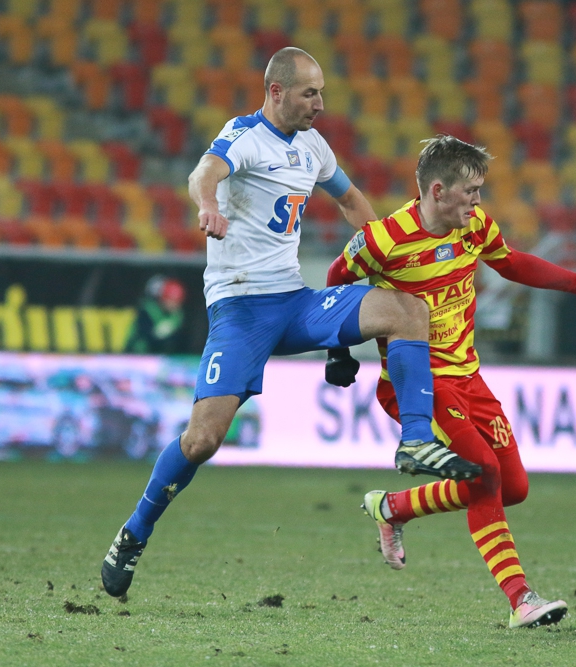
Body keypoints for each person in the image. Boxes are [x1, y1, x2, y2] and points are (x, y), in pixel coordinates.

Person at [100, 49, 482, 598]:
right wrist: (208, 206)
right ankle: (134, 532)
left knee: (406, 310)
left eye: (321, 92)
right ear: (276, 91)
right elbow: (203, 173)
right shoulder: (243, 136)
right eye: (310, 93)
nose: (320, 104)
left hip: (294, 301)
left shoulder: (313, 146)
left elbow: (351, 201)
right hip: (240, 309)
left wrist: (387, 253)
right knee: (203, 440)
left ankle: (417, 441)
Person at [325, 135, 576, 628]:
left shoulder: (474, 226)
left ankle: (393, 507)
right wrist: (337, 350)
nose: (478, 200)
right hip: (418, 383)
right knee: (484, 471)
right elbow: (337, 279)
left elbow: (511, 262)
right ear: (438, 191)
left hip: (469, 378)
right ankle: (521, 599)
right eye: (471, 191)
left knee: (513, 487)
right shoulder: (385, 240)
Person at [126, 275, 187, 354]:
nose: (173, 304)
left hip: (165, 354)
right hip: (138, 353)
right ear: (163, 298)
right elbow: (145, 334)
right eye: (170, 300)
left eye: (177, 301)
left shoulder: (178, 315)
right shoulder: (148, 309)